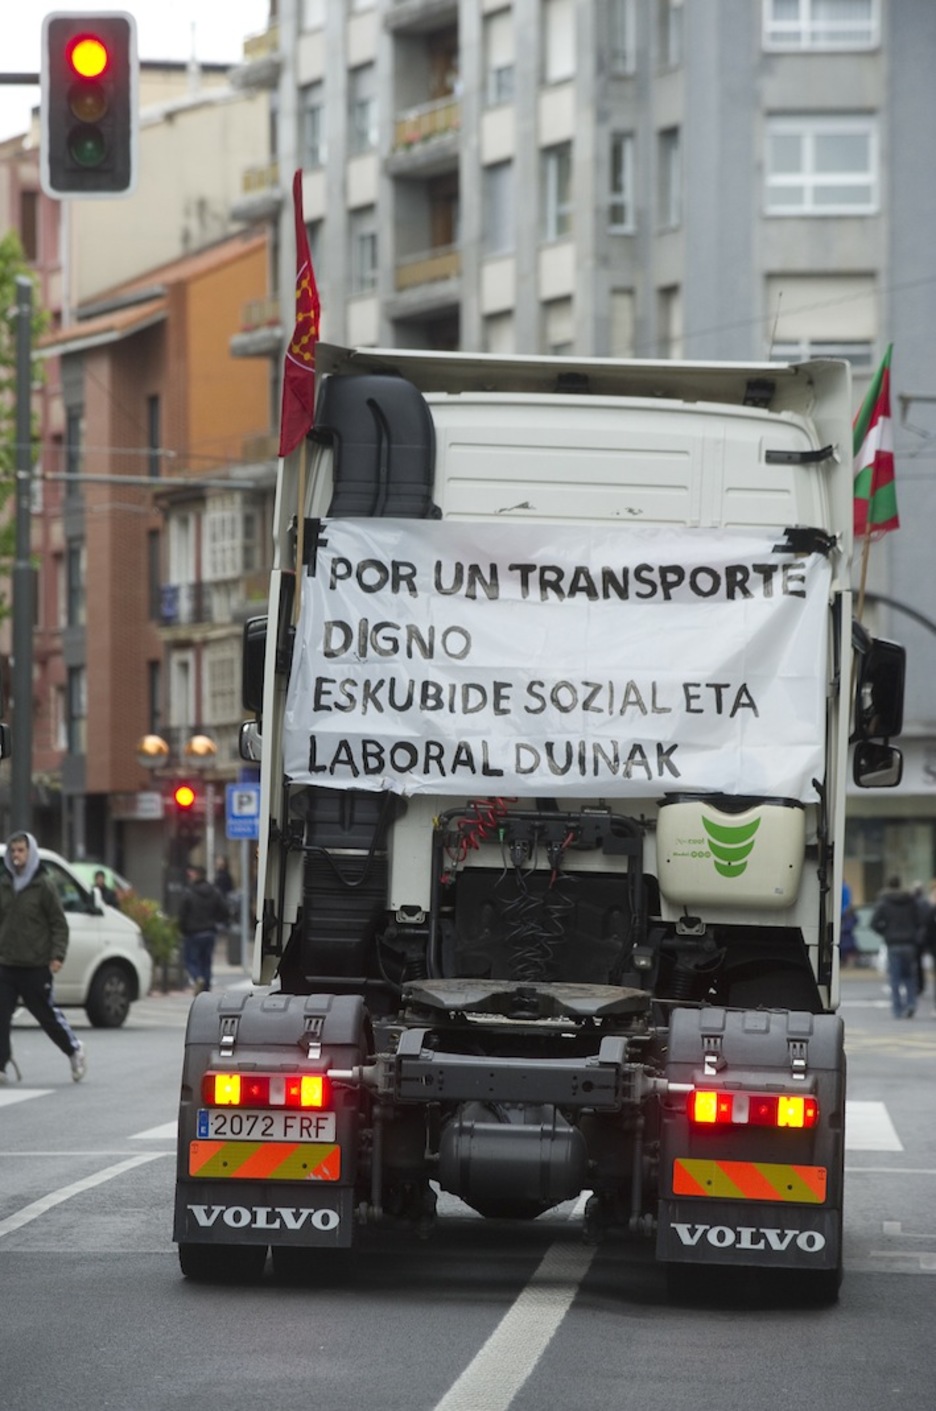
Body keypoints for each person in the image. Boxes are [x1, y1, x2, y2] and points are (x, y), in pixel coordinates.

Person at [0, 831, 87, 1083]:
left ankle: (74, 1050)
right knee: (1, 1015)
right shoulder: (4, 884)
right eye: (13, 851)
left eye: (21, 850)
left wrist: (57, 955)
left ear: (31, 853)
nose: (16, 856)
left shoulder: (43, 885)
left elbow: (59, 924)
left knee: (45, 1015)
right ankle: (1, 1063)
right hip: (6, 963)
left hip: (36, 964)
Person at [871, 875, 920, 1019]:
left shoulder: (884, 902)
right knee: (910, 977)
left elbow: (873, 923)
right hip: (909, 943)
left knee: (895, 979)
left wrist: (885, 932)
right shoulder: (911, 901)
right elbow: (918, 919)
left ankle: (897, 1009)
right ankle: (911, 1004)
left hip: (893, 943)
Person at [179, 863, 229, 995]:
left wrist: (183, 929)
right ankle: (205, 989)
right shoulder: (215, 892)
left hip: (193, 933)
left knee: (191, 960)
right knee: (206, 962)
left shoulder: (189, 893)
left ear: (196, 875)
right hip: (209, 931)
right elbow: (225, 910)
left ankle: (197, 978)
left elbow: (182, 914)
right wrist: (215, 920)